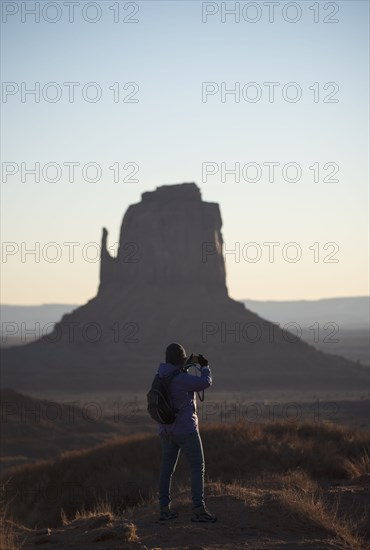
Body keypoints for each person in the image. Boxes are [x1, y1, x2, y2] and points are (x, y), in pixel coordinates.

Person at [157, 342, 217, 523]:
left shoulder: (160, 374)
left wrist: (184, 367)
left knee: (167, 470)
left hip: (165, 430)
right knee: (197, 467)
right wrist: (205, 367)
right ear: (180, 360)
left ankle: (164, 510)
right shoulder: (181, 378)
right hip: (185, 429)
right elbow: (205, 382)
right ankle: (199, 510)